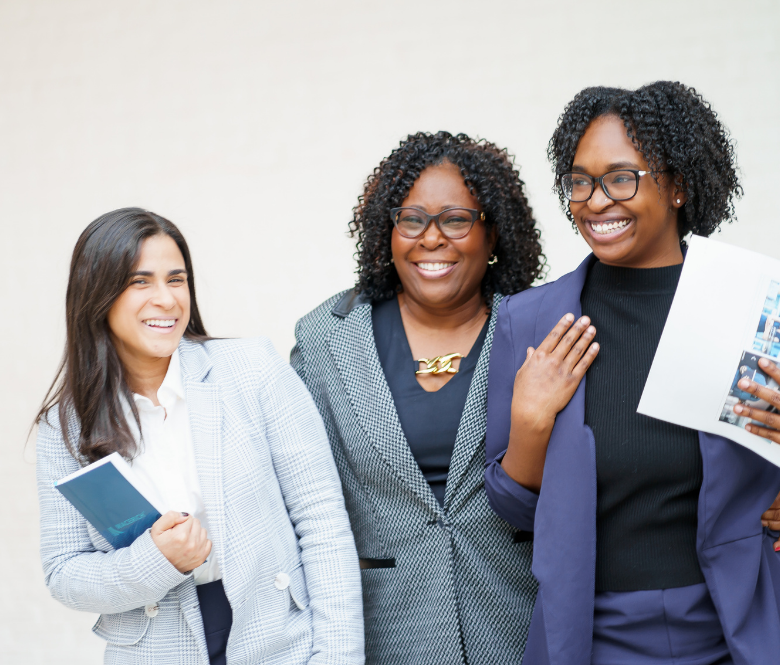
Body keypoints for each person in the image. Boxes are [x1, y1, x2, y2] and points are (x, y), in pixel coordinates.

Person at [484, 82, 780, 665]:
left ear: (677, 186)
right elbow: (516, 511)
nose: (595, 201)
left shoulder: (753, 305)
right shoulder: (533, 321)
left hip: (741, 630)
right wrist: (530, 423)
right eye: (580, 181)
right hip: (593, 639)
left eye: (621, 178)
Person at [36, 208, 364, 665]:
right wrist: (156, 559)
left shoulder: (252, 369)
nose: (166, 300)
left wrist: (338, 658)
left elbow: (323, 520)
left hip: (278, 641)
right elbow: (64, 573)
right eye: (140, 282)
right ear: (97, 295)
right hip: (154, 649)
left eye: (176, 279)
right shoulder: (67, 426)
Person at [292, 132, 544, 664]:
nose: (432, 239)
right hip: (388, 631)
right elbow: (298, 498)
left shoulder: (538, 329)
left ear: (493, 233)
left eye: (455, 219)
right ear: (387, 232)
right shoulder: (326, 341)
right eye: (411, 219)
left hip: (523, 621)